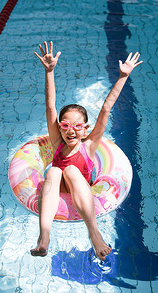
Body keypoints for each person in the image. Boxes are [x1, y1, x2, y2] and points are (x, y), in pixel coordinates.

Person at [30, 41, 142, 260]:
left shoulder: (89, 145)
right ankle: (44, 238)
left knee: (70, 170)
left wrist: (122, 76)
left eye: (77, 126)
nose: (71, 130)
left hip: (81, 184)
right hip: (59, 184)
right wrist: (49, 71)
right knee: (53, 171)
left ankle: (95, 235)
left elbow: (106, 108)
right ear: (59, 127)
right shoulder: (57, 142)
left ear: (85, 129)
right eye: (65, 125)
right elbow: (50, 106)